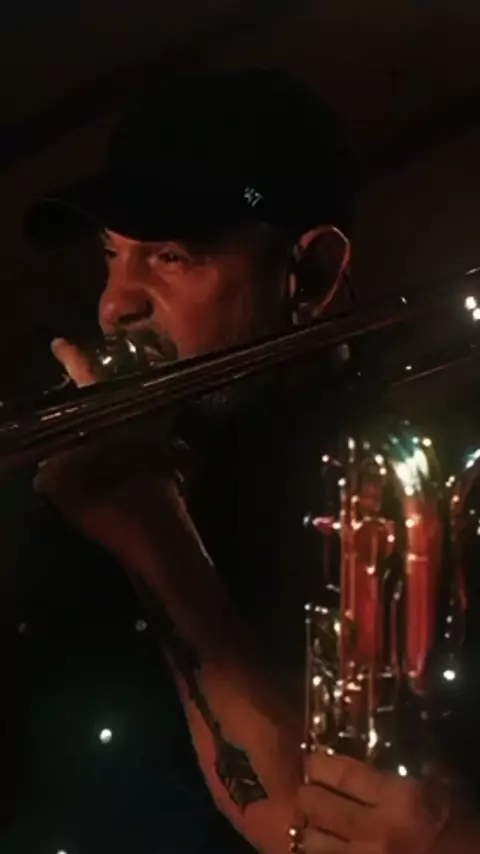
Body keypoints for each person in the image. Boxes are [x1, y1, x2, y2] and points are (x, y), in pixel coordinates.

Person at [19, 69, 479, 853]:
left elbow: (318, 832)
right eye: (112, 256)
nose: (115, 305)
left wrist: (149, 530)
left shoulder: (405, 497)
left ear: (313, 272)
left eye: (171, 257)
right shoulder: (91, 482)